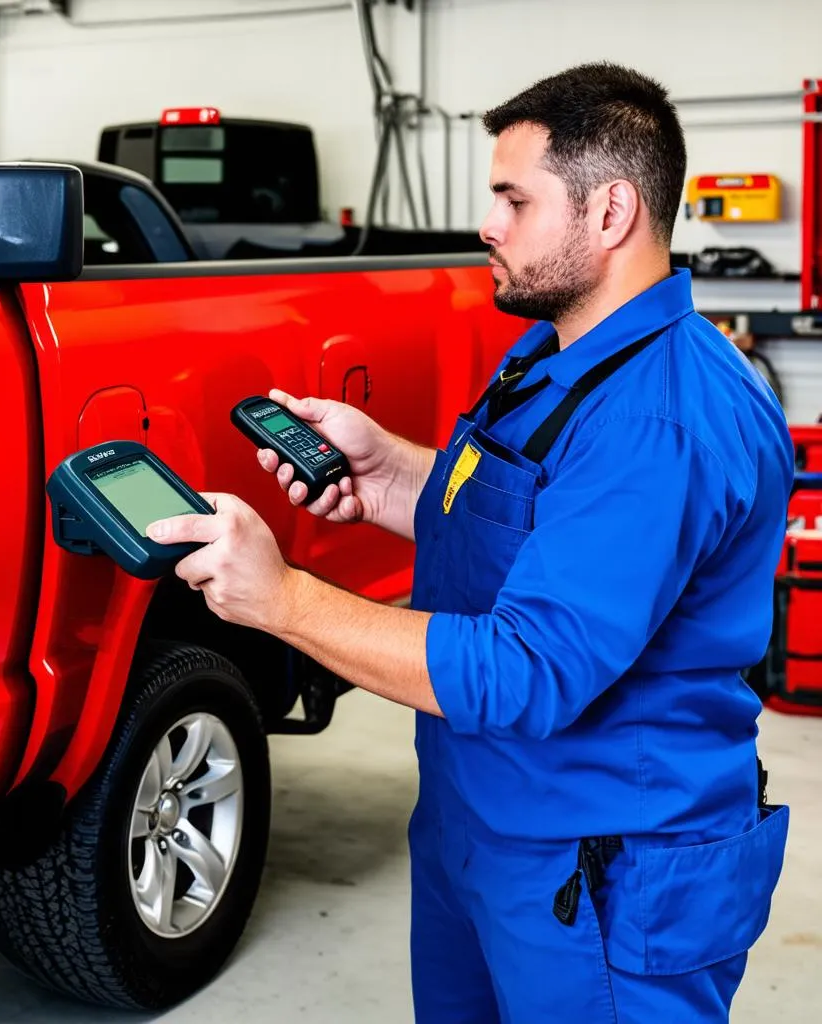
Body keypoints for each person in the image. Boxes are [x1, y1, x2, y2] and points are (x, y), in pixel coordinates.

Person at [147, 62, 794, 1022]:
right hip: (481, 817)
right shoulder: (555, 352)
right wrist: (389, 476)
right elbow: (523, 513)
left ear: (610, 212)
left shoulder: (659, 421)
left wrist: (283, 602)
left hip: (602, 865)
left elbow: (526, 669)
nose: (487, 225)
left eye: (513, 199)